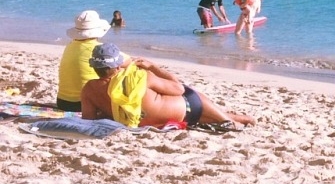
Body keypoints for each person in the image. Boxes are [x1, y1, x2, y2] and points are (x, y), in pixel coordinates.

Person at [81, 44, 254, 128]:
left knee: (204, 115)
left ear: (94, 67)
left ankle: (237, 118)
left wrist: (108, 112)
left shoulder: (88, 89)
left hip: (158, 121)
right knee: (190, 92)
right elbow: (179, 89)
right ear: (118, 66)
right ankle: (229, 121)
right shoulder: (141, 77)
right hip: (185, 110)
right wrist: (153, 67)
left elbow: (88, 119)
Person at [57, 10, 111, 112]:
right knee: (121, 70)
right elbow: (129, 62)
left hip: (63, 102)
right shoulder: (99, 49)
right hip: (86, 103)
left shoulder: (70, 46)